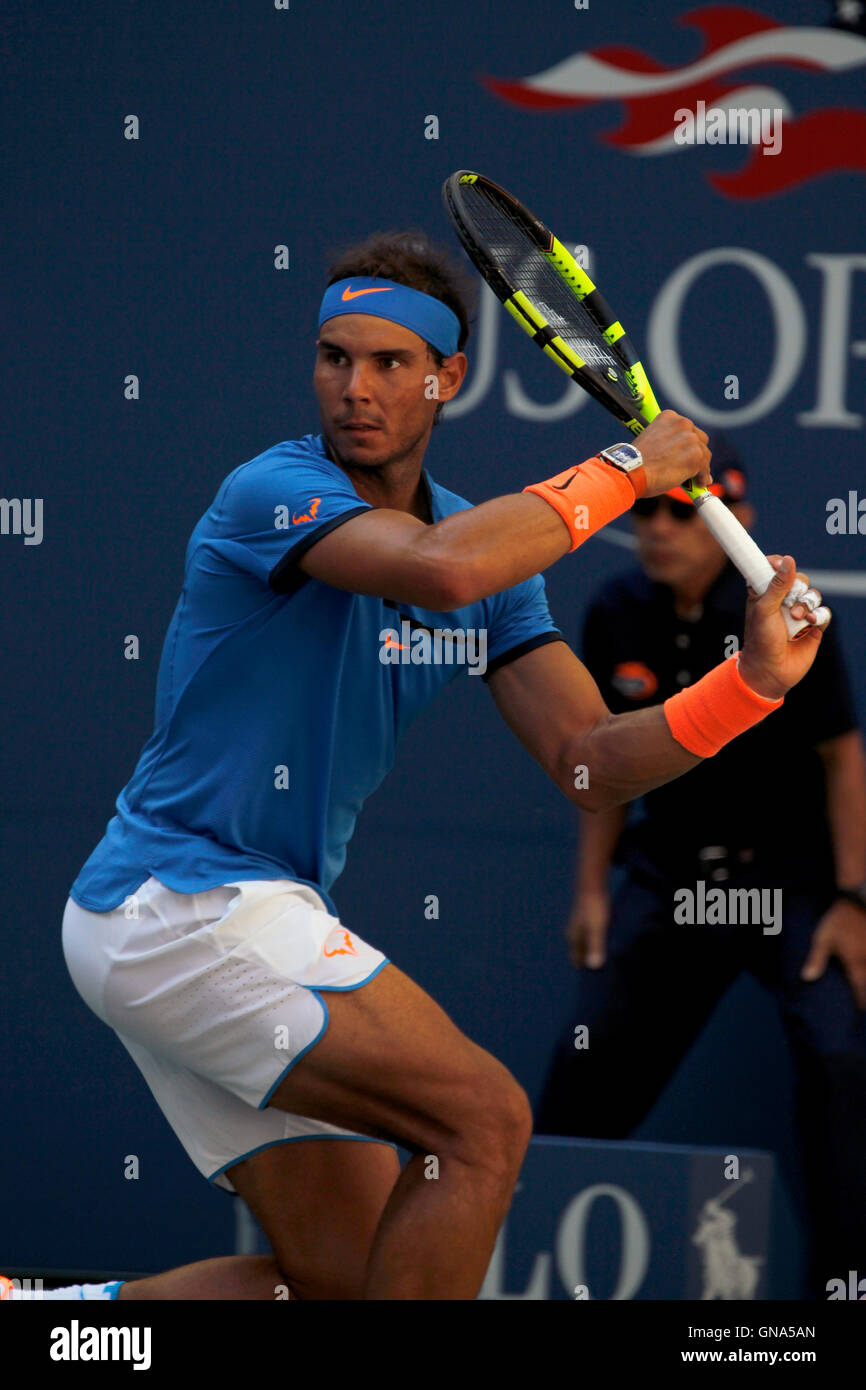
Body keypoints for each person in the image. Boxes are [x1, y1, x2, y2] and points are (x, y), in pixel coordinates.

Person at [28, 236, 826, 1302]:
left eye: (390, 364)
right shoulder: (273, 490)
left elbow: (589, 765)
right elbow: (440, 575)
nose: (354, 388)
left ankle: (53, 1320)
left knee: (340, 1282)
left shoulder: (490, 559)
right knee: (483, 1119)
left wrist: (752, 685)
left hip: (198, 919)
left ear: (447, 377)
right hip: (182, 901)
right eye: (333, 358)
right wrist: (629, 468)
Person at [535, 438, 866, 1298]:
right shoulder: (614, 610)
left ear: (733, 522)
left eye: (678, 512)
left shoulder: (785, 614)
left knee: (838, 1058)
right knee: (587, 1065)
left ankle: (843, 1287)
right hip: (670, 880)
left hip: (786, 885)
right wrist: (588, 894)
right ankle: (520, 1258)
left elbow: (844, 759)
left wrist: (855, 899)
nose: (655, 529)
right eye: (641, 511)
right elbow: (603, 762)